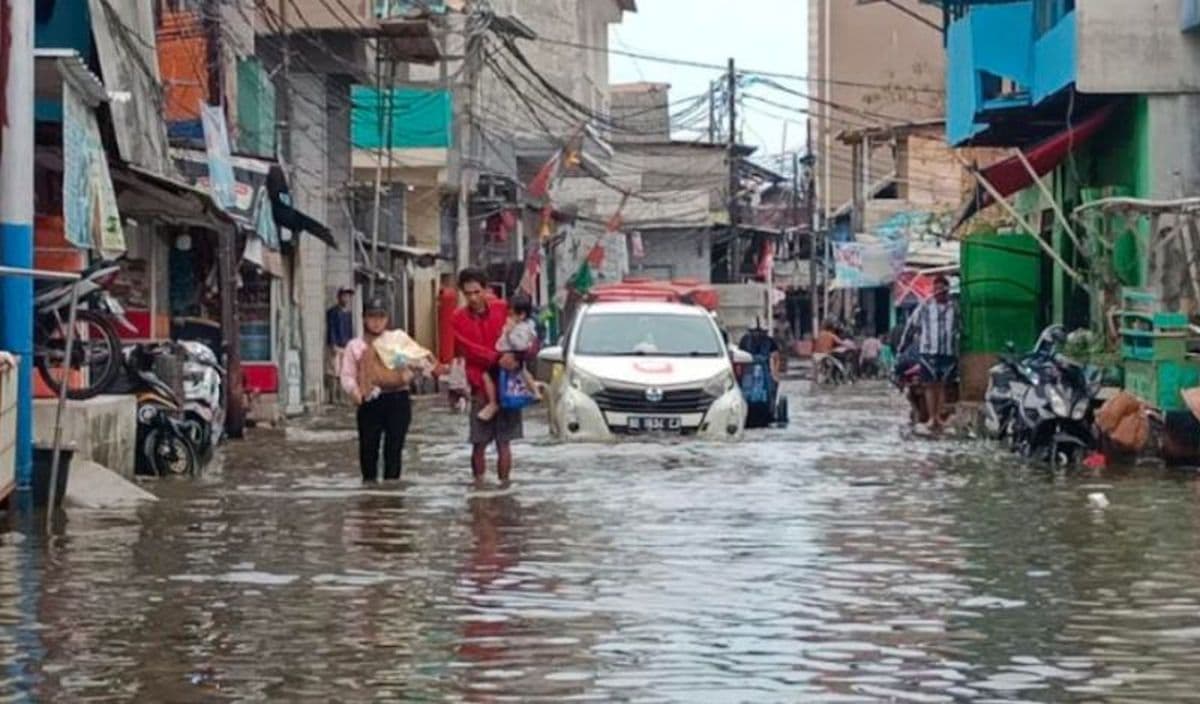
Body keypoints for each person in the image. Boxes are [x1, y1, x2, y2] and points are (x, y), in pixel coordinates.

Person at [451, 268, 523, 484]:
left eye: (476, 292)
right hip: (479, 383)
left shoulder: (502, 309)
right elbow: (467, 348)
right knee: (479, 441)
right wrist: (496, 357)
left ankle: (505, 486)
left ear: (485, 289)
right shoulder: (458, 318)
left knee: (504, 442)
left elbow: (520, 333)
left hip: (507, 382)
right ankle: (478, 486)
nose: (473, 298)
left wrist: (516, 356)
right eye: (468, 294)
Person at [339, 297, 413, 482]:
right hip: (370, 400)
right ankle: (369, 492)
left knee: (393, 450)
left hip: (398, 400)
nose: (376, 321)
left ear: (387, 319)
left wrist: (407, 370)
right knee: (368, 450)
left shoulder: (397, 341)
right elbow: (347, 375)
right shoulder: (355, 346)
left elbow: (411, 365)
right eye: (372, 316)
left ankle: (390, 494)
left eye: (381, 317)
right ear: (364, 318)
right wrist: (354, 392)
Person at [478, 293, 541, 421]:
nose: (509, 317)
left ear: (521, 315)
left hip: (513, 354)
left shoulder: (521, 328)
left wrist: (509, 333)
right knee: (522, 373)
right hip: (507, 354)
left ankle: (493, 402)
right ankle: (534, 391)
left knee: (489, 374)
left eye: (512, 314)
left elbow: (520, 345)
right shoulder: (523, 326)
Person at [911, 275, 958, 433]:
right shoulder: (925, 306)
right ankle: (931, 417)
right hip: (928, 351)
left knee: (943, 385)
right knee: (929, 385)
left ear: (947, 290)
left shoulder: (954, 308)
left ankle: (939, 417)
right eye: (936, 289)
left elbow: (960, 326)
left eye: (942, 289)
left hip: (948, 351)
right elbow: (914, 322)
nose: (939, 292)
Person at [326, 288, 354, 404]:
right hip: (335, 345)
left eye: (348, 296)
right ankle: (333, 397)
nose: (346, 299)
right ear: (339, 297)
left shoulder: (349, 313)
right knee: (334, 371)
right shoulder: (333, 312)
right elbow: (331, 328)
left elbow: (350, 330)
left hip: (345, 345)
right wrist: (333, 343)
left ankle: (342, 397)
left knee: (344, 372)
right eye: (344, 296)